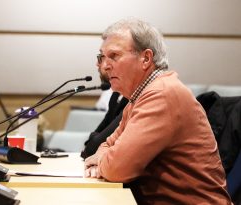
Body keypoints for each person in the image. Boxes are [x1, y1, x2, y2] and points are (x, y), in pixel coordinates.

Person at [84, 18, 232, 204]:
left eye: (114, 55)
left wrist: (103, 160)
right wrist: (104, 156)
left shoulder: (161, 94)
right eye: (101, 57)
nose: (104, 66)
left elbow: (117, 168)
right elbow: (106, 145)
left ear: (145, 58)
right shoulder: (140, 96)